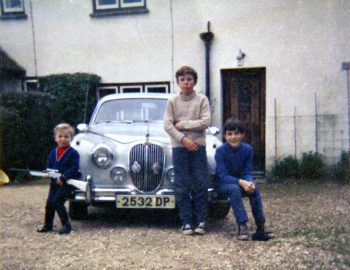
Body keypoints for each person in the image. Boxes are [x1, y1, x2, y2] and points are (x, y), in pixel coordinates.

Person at [164, 66, 211, 235]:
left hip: (198, 147)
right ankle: (186, 222)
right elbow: (168, 125)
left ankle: (201, 221)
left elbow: (205, 122)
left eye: (189, 79)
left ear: (195, 81)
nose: (186, 82)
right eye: (183, 79)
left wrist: (183, 124)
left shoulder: (202, 100)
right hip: (179, 148)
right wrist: (183, 139)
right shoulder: (172, 102)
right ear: (177, 82)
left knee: (200, 184)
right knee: (182, 185)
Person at [214, 118, 273, 241]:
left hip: (241, 183)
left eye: (236, 133)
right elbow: (223, 176)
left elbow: (247, 171)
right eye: (229, 134)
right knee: (234, 189)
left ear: (242, 134)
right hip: (224, 185)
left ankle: (260, 225)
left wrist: (249, 182)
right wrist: (241, 182)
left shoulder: (247, 149)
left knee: (254, 188)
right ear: (225, 136)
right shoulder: (220, 151)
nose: (233, 137)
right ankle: (242, 224)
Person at [37, 123, 80, 235]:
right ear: (55, 138)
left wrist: (64, 177)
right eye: (60, 136)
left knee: (58, 201)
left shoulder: (74, 153)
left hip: (67, 183)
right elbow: (50, 167)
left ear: (71, 138)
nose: (63, 139)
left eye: (66, 137)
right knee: (50, 203)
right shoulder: (52, 153)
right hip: (54, 182)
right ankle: (47, 225)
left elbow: (74, 169)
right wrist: (47, 173)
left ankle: (66, 225)